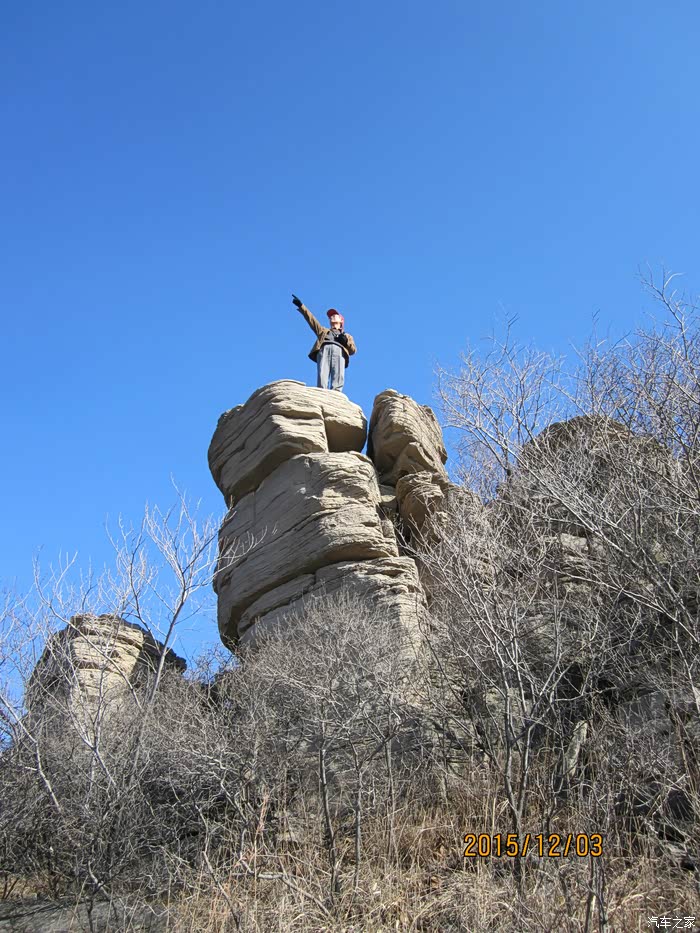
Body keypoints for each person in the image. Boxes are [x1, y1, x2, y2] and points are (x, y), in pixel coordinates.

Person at [292, 294, 357, 391]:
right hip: (324, 350)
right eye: (330, 316)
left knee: (338, 376)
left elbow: (353, 350)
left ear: (341, 321)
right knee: (322, 375)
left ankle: (336, 395)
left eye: (335, 316)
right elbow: (312, 320)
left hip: (339, 352)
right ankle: (322, 393)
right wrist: (301, 306)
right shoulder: (323, 331)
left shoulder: (347, 336)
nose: (331, 317)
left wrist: (345, 341)